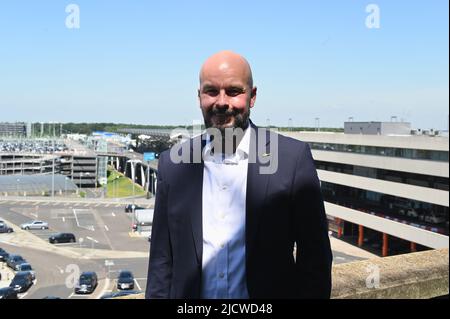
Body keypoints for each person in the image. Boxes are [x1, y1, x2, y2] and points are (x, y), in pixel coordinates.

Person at [146, 51, 332, 299]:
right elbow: (161, 260)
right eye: (211, 91)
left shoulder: (292, 160)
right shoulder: (173, 165)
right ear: (199, 96)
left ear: (252, 96)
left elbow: (315, 258)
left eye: (233, 91)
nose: (221, 102)